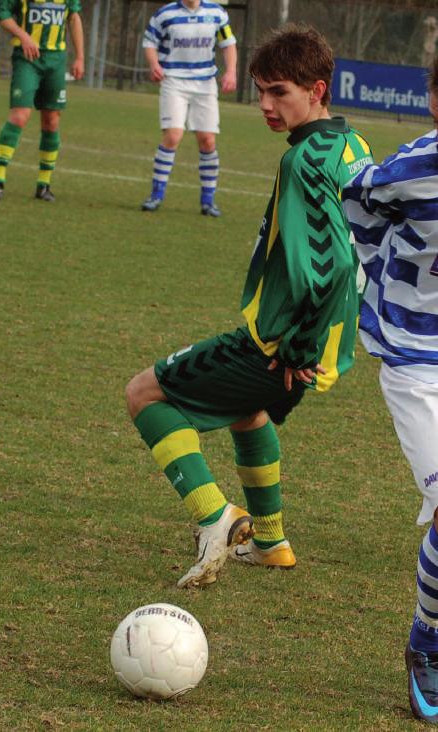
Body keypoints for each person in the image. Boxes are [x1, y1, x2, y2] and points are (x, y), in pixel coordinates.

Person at [126, 24, 373, 589]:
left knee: (144, 393)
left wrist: (298, 346)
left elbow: (331, 263)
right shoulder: (350, 144)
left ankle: (216, 515)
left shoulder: (306, 161)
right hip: (324, 342)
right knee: (248, 412)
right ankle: (271, 541)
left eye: (279, 91)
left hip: (284, 343)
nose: (265, 104)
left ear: (317, 88)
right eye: (260, 91)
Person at [342, 58, 438, 725]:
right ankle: (426, 645)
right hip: (415, 358)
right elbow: (354, 202)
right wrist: (371, 280)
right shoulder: (411, 169)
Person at [140, 0, 238, 217]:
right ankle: (156, 195)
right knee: (173, 136)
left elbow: (228, 43)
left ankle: (208, 201)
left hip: (205, 84)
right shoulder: (165, 14)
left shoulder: (216, 13)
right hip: (174, 81)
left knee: (207, 140)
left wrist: (231, 71)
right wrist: (154, 64)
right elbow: (149, 42)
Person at [0, 0, 84, 201]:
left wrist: (80, 57)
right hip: (27, 58)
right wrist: (23, 35)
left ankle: (43, 185)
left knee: (52, 121)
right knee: (20, 116)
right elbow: (1, 14)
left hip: (55, 60)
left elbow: (73, 18)